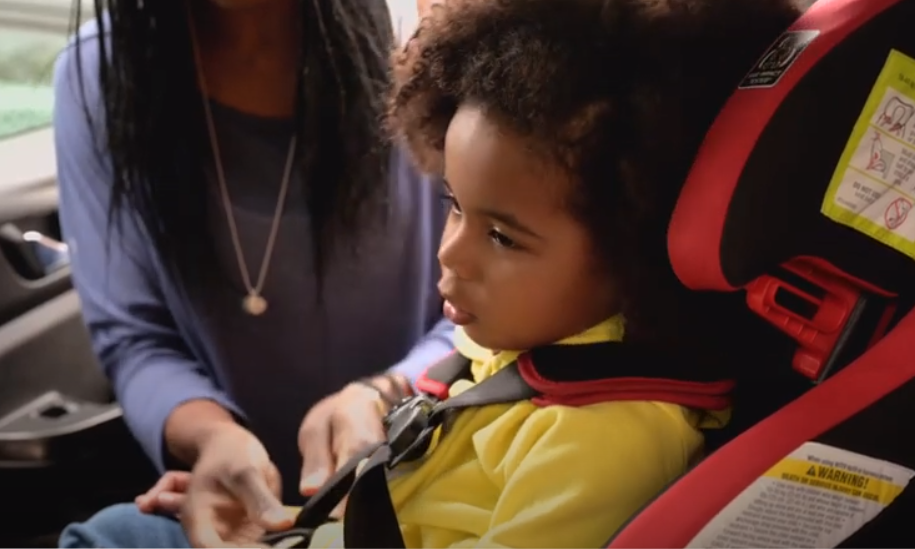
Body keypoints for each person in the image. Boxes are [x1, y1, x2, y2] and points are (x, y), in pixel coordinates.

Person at [61, 0, 806, 546]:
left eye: (502, 236)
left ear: (633, 250)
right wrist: (255, 480)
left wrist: (369, 400)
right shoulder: (513, 345)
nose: (449, 255)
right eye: (451, 204)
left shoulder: (608, 435)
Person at [54, 0, 453, 546]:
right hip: (230, 517)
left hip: (423, 479)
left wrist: (387, 393)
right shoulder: (96, 75)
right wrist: (213, 438)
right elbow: (135, 337)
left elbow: (493, 304)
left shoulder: (422, 48)